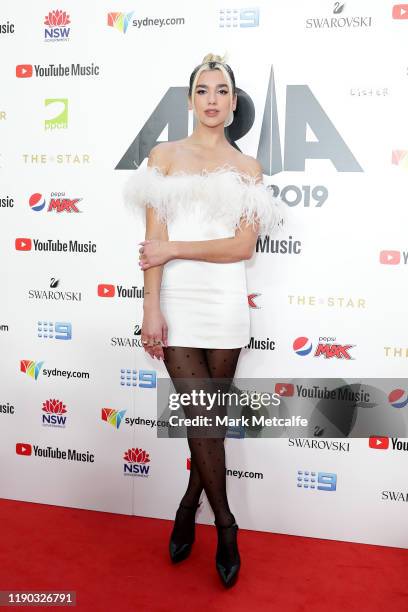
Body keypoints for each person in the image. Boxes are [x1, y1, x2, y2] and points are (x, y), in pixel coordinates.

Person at [124, 53, 283, 588]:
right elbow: (150, 248)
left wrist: (174, 248)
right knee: (204, 419)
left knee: (206, 419)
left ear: (233, 103)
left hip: (225, 304)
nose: (212, 99)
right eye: (202, 90)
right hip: (178, 303)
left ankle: (189, 505)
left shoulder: (248, 169)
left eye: (221, 91)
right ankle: (228, 527)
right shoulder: (162, 158)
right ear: (190, 100)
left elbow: (242, 247)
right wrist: (151, 306)